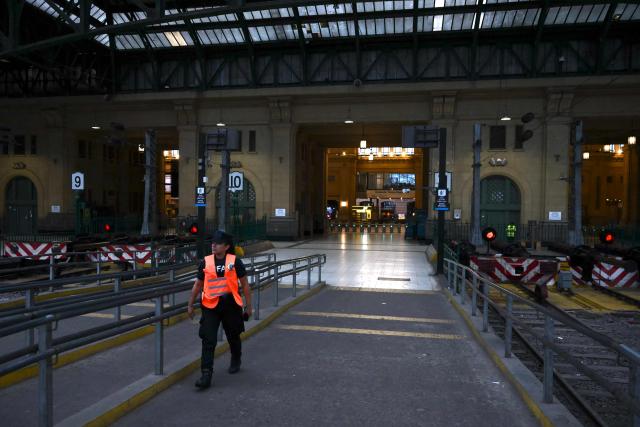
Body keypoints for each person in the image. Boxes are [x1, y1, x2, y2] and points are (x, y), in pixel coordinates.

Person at [187, 230, 253, 389]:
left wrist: (248, 306)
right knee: (208, 340)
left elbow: (244, 284)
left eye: (217, 243)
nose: (213, 245)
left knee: (233, 335)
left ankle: (236, 358)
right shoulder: (206, 262)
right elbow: (198, 285)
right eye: (212, 243)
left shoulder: (235, 262)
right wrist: (190, 304)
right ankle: (206, 374)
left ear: (226, 246)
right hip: (210, 305)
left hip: (231, 305)